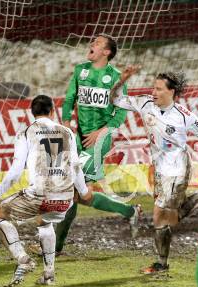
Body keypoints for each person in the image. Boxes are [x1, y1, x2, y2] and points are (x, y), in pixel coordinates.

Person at [111, 68, 198, 274]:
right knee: (165, 219)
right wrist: (122, 80)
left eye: (159, 89)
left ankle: (161, 264)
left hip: (178, 167)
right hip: (159, 168)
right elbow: (116, 99)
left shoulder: (185, 116)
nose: (153, 92)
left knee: (159, 216)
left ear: (171, 92)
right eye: (153, 87)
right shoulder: (145, 103)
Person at [0, 95, 92, 287]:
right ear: (53, 112)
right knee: (44, 221)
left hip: (40, 195)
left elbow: (16, 171)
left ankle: (23, 260)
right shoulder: (67, 132)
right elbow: (75, 166)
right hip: (64, 197)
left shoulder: (26, 133)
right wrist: (83, 191)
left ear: (31, 113)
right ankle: (49, 274)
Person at [55, 34, 140, 254]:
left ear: (107, 52)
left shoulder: (116, 77)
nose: (92, 44)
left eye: (98, 43)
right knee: (80, 195)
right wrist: (66, 124)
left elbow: (120, 114)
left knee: (73, 191)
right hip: (79, 137)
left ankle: (55, 247)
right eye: (93, 42)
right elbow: (70, 98)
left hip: (99, 140)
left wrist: (99, 133)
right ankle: (130, 211)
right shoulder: (80, 70)